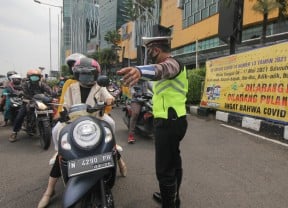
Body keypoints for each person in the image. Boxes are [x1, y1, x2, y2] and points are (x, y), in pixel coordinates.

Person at [37, 57, 126, 208]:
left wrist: (109, 100)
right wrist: (62, 114)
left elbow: (108, 96)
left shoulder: (100, 87)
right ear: (77, 75)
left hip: (95, 118)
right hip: (74, 121)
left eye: (90, 74)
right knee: (56, 130)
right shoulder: (71, 87)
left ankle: (117, 156)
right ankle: (50, 187)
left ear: (96, 75)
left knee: (110, 124)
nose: (87, 77)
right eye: (83, 74)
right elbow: (65, 105)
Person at [117, 36, 188, 208]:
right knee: (174, 161)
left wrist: (140, 71)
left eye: (148, 51)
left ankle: (168, 203)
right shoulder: (166, 71)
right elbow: (155, 81)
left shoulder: (173, 64)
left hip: (168, 122)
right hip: (175, 120)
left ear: (155, 50)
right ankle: (173, 198)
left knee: (164, 170)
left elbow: (161, 69)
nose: (148, 54)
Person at [8, 69, 54, 142]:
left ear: (39, 77)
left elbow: (49, 91)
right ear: (29, 77)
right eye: (33, 76)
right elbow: (23, 92)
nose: (35, 78)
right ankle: (14, 132)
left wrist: (53, 95)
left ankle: (51, 128)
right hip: (28, 101)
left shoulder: (42, 84)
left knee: (51, 110)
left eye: (36, 76)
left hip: (40, 102)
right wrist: (21, 93)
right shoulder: (25, 84)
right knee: (20, 115)